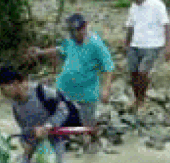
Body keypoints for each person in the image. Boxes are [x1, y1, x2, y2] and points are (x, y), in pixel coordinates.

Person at [0, 65, 96, 163]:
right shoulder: (15, 103)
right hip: (34, 143)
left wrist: (47, 127)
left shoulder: (43, 92)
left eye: (3, 88)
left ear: (15, 83)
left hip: (54, 141)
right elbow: (24, 127)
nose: (2, 93)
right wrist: (26, 144)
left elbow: (63, 111)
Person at [27, 13, 115, 150]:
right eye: (72, 31)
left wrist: (105, 90)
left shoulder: (96, 45)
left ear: (84, 27)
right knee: (58, 119)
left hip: (86, 94)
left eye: (77, 31)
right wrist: (40, 52)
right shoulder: (70, 41)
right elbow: (59, 50)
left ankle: (94, 145)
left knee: (88, 126)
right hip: (64, 90)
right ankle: (60, 145)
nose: (74, 35)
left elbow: (108, 68)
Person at [124, 0, 170, 111]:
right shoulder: (133, 6)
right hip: (135, 44)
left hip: (153, 44)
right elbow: (130, 25)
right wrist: (126, 42)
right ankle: (136, 97)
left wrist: (168, 46)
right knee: (133, 72)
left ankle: (142, 99)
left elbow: (166, 25)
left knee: (143, 72)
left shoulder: (157, 4)